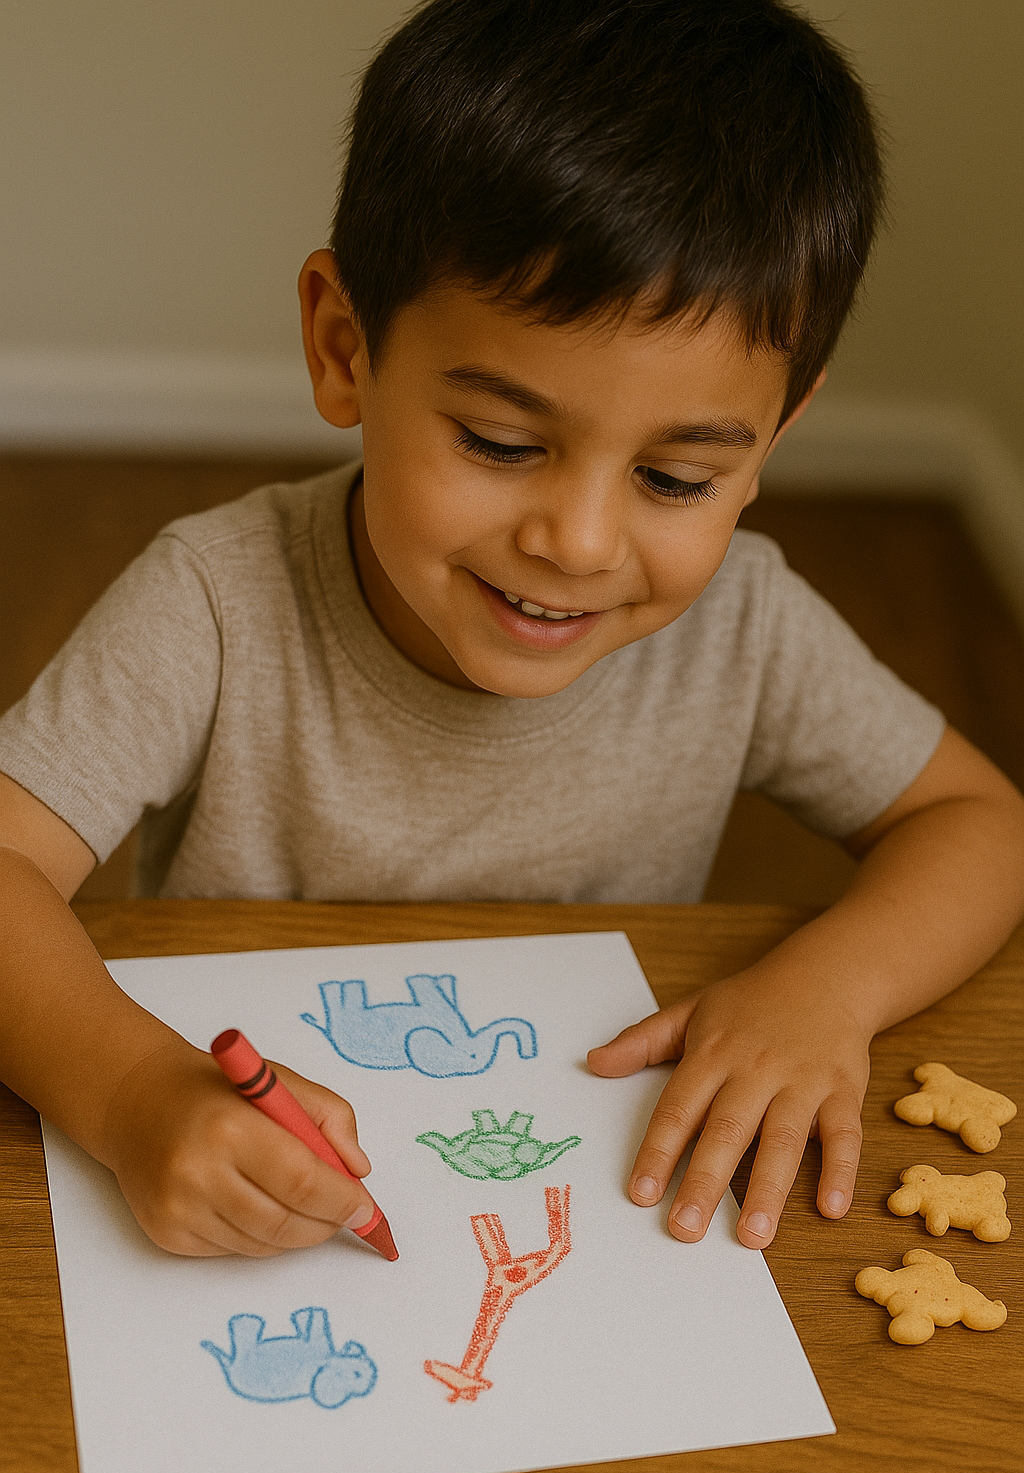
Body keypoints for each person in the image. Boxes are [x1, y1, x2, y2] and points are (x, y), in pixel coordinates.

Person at [1, 0, 1022, 1262]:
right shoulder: (215, 601)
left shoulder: (745, 629)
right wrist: (125, 1090)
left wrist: (828, 992)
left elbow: (978, 826)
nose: (580, 543)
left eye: (677, 478)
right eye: (500, 443)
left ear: (771, 442)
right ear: (343, 348)